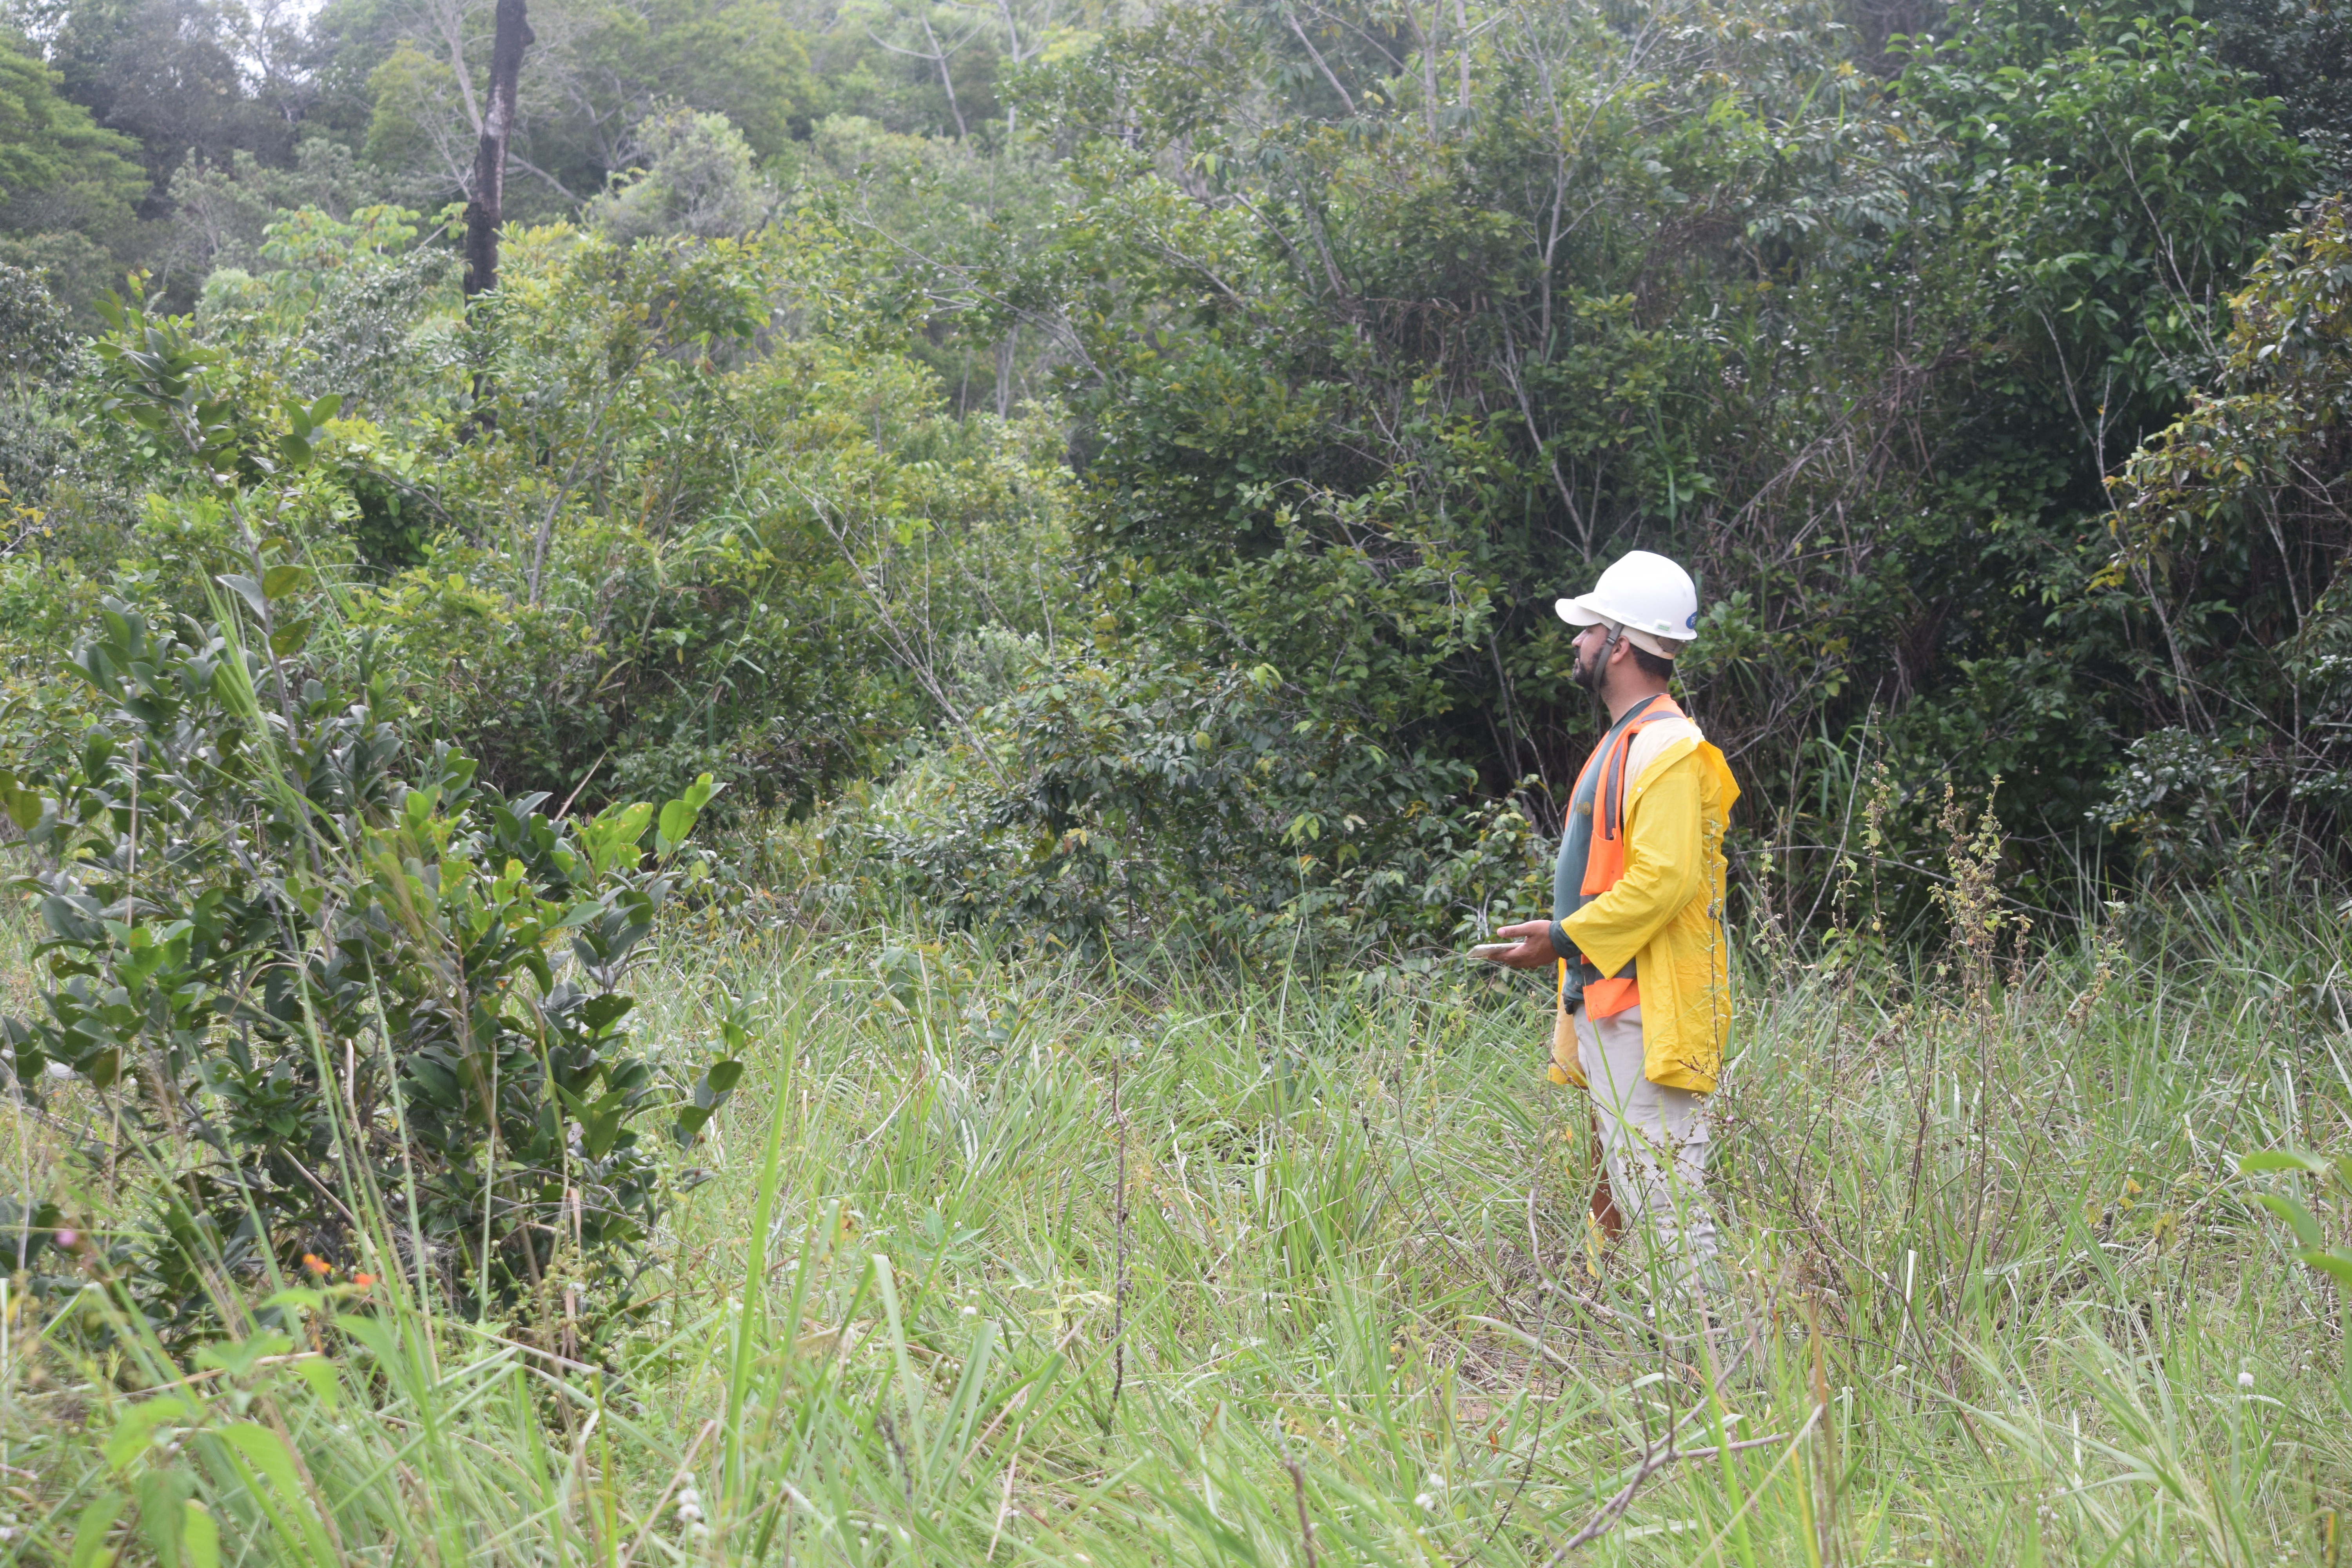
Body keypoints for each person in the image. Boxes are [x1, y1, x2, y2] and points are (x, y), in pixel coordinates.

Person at [1483, 550, 1739, 1301]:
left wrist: (1561, 939)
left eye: (1587, 628)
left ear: (1620, 643)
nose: (1576, 642)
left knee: (1669, 1207)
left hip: (1642, 1010)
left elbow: (1665, 880)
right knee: (1634, 1199)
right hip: (1612, 1003)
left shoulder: (1665, 744)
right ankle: (1672, 1374)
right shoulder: (1630, 737)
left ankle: (1720, 1381)